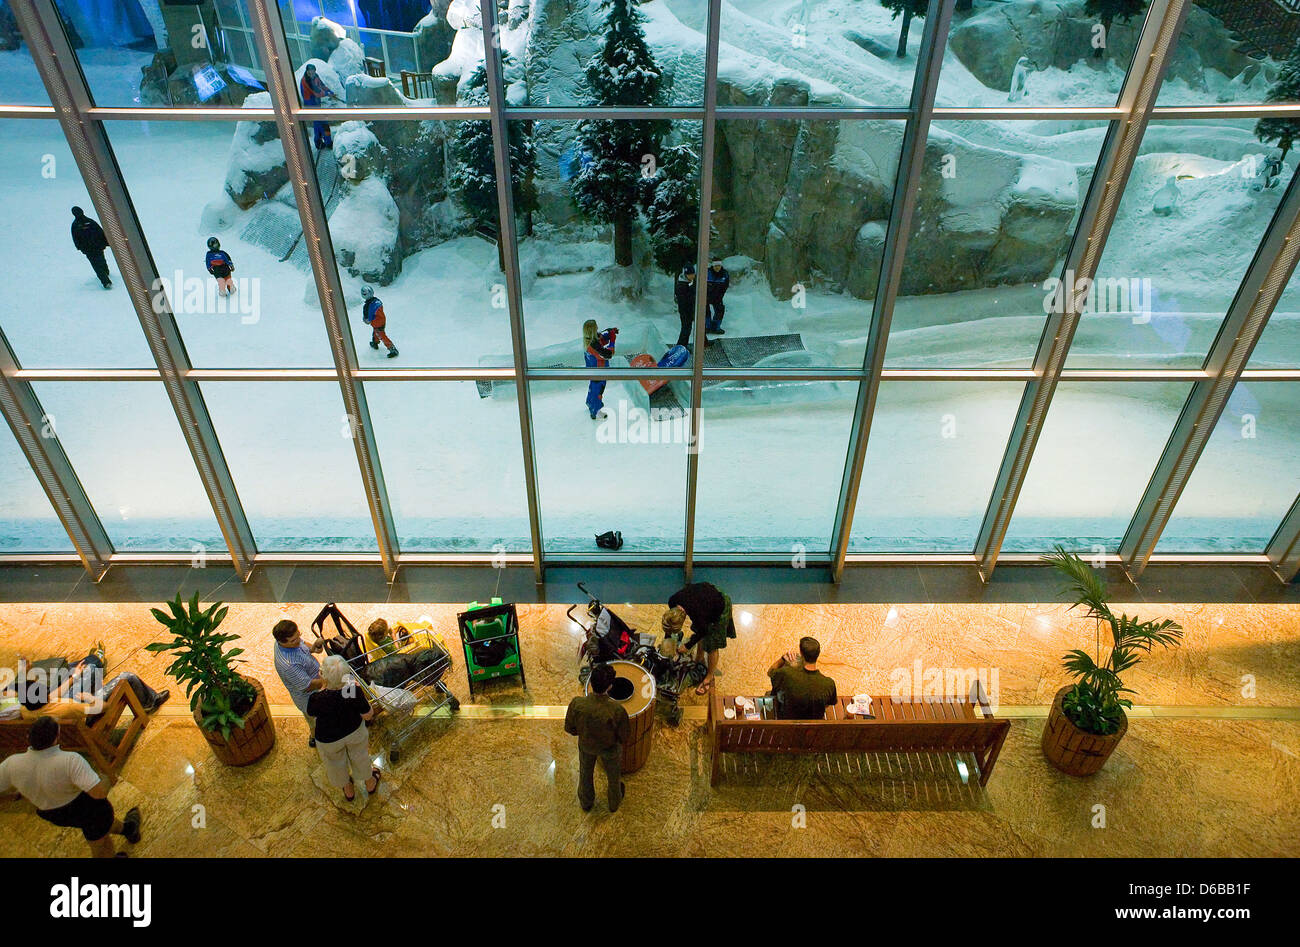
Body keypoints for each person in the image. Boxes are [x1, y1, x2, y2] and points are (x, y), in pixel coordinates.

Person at [0, 716, 142, 858]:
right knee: (100, 843)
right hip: (85, 808)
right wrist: (104, 778)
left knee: (102, 825)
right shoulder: (70, 760)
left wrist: (14, 796)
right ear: (57, 737)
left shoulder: (11, 763)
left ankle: (128, 829)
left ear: (28, 736)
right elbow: (99, 794)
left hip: (53, 814)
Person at [10, 644, 169, 721]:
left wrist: (75, 677)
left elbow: (51, 696)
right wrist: (89, 697)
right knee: (128, 676)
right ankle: (150, 702)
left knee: (89, 669)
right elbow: (103, 708)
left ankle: (90, 666)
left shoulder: (27, 710)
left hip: (69, 707)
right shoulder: (66, 708)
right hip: (86, 716)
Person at [307, 655, 380, 803]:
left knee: (334, 763)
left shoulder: (317, 699)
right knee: (360, 756)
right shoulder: (352, 690)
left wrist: (323, 687)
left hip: (329, 738)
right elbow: (368, 716)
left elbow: (311, 713)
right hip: (354, 732)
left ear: (322, 675)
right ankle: (369, 782)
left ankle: (348, 789)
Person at [563, 663, 629, 813]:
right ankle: (614, 803)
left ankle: (586, 802)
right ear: (610, 686)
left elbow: (570, 728)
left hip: (586, 746)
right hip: (610, 749)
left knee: (585, 773)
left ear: (591, 682)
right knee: (613, 777)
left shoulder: (577, 703)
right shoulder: (617, 710)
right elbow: (623, 736)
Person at [667, 581, 736, 695]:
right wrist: (668, 636)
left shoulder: (697, 612)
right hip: (706, 596)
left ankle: (709, 677)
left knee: (712, 646)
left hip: (719, 605)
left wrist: (687, 646)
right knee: (700, 631)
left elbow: (703, 631)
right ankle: (699, 658)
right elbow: (670, 624)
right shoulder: (672, 601)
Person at [272, 619, 325, 747]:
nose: (298, 641)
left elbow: (302, 645)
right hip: (309, 698)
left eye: (298, 636)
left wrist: (313, 648)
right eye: (293, 640)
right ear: (281, 642)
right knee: (315, 722)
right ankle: (315, 739)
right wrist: (329, 680)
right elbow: (308, 686)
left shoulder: (289, 641)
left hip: (315, 682)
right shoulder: (288, 665)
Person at [767, 637, 837, 720]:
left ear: (802, 654)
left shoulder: (786, 675)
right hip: (814, 731)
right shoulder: (829, 683)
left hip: (788, 728)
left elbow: (770, 672)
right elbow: (828, 703)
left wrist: (783, 658)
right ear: (818, 654)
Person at [583, 319, 618, 420]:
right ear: (593, 330)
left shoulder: (589, 340)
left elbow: (601, 337)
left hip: (592, 370)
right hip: (599, 371)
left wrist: (610, 331)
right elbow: (609, 354)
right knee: (598, 390)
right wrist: (612, 341)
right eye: (596, 327)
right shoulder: (594, 345)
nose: (598, 328)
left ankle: (589, 402)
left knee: (593, 388)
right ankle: (595, 411)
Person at [70, 206, 111, 289]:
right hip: (93, 248)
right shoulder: (86, 223)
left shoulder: (77, 225)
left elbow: (100, 232)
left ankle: (105, 272)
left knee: (98, 262)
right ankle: (105, 281)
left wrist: (105, 242)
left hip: (95, 247)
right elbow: (100, 232)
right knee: (97, 263)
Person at [300, 63, 339, 150]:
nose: (311, 73)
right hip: (311, 104)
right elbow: (317, 93)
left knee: (317, 124)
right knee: (323, 124)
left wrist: (330, 92)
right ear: (307, 71)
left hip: (316, 103)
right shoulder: (306, 81)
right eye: (310, 71)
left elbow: (322, 85)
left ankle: (318, 142)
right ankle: (328, 143)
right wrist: (328, 94)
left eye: (313, 71)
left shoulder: (315, 76)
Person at [361, 285, 399, 358]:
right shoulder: (377, 301)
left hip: (377, 323)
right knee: (376, 332)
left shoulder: (368, 306)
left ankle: (392, 349)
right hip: (382, 320)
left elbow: (368, 319)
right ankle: (375, 342)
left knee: (381, 335)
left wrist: (366, 319)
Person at [705, 259, 730, 335]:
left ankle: (716, 327)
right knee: (706, 311)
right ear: (713, 266)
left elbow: (725, 285)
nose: (717, 267)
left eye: (719, 265)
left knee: (720, 310)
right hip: (706, 296)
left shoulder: (724, 274)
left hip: (718, 296)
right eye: (715, 266)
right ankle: (707, 326)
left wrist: (721, 295)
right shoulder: (707, 272)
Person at [674, 263, 697, 347]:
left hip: (690, 308)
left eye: (693, 274)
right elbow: (685, 300)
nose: (692, 276)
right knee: (686, 328)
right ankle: (681, 346)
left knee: (688, 327)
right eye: (689, 275)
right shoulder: (681, 285)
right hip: (685, 310)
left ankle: (683, 345)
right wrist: (691, 289)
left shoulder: (690, 282)